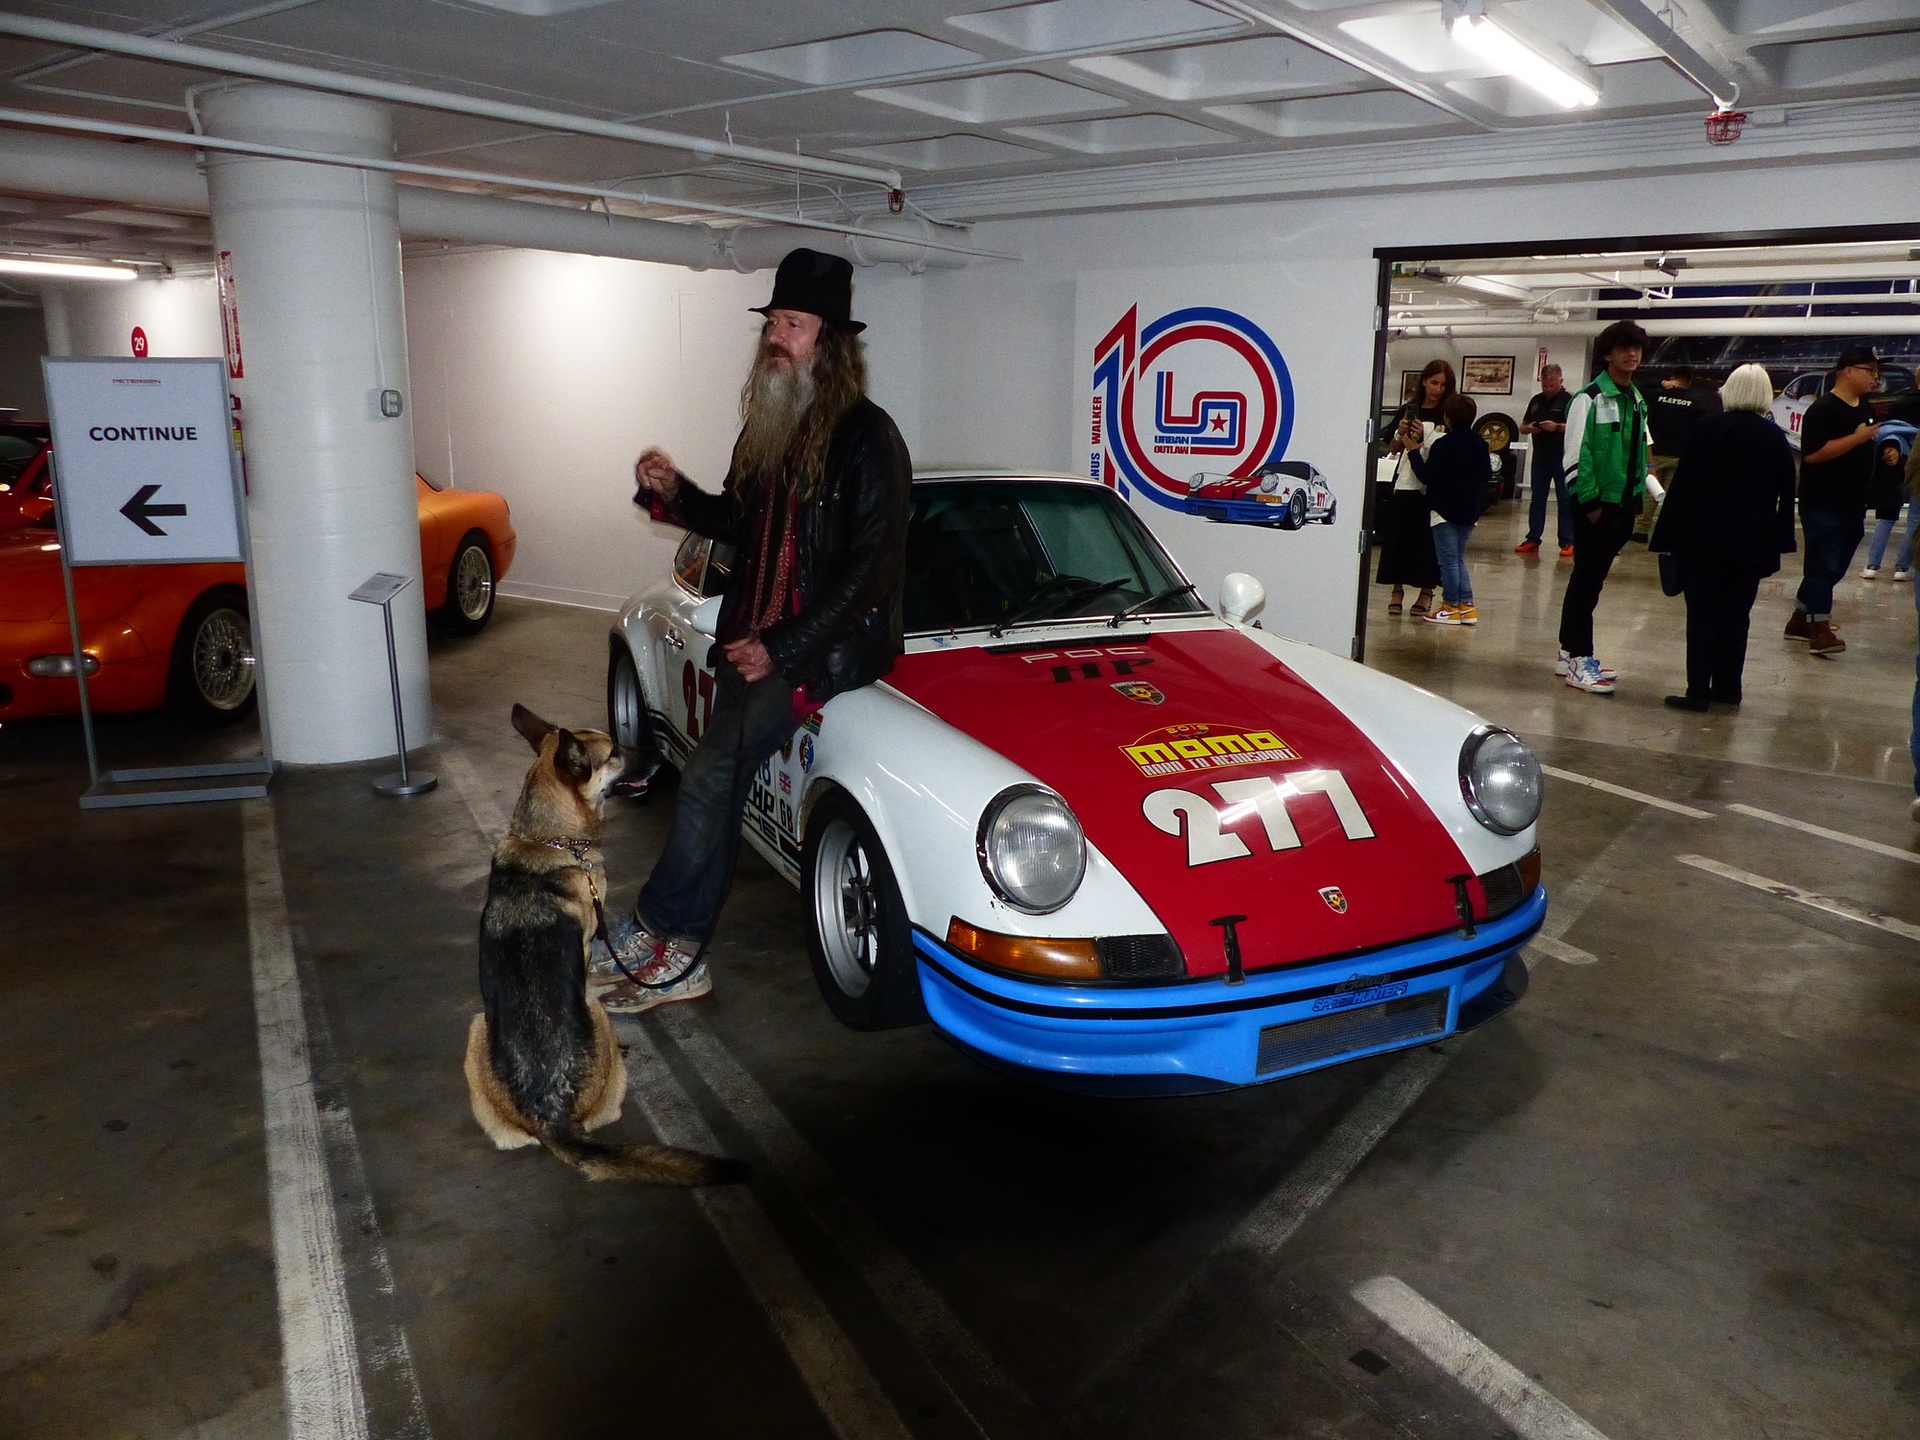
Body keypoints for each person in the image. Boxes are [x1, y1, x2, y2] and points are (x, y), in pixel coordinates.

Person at [597, 248, 912, 1013]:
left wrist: (786, 645)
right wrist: (674, 496)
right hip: (753, 643)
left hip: (815, 655)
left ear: (828, 342)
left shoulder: (869, 440)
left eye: (793, 324)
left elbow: (869, 574)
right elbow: (736, 522)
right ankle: (672, 940)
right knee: (715, 784)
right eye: (772, 321)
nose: (776, 337)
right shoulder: (769, 425)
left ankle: (666, 937)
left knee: (706, 781)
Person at [1648, 364, 1797, 711]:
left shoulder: (1707, 428)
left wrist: (1665, 535)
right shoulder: (1774, 437)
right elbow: (1786, 492)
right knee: (1737, 616)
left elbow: (1684, 485)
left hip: (1704, 540)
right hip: (1751, 544)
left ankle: (1697, 690)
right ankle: (1729, 688)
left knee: (1702, 615)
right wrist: (1781, 541)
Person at [1556, 319, 1653, 694]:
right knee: (1585, 582)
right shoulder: (1589, 398)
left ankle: (1569, 650)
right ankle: (1580, 658)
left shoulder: (1636, 399)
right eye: (1624, 347)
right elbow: (1575, 456)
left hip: (1623, 507)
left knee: (1590, 582)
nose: (1632, 354)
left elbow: (1639, 453)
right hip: (1597, 507)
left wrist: (1644, 494)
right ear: (1608, 354)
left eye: (1637, 348)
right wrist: (1591, 504)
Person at [1787, 345, 1882, 656]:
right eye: (1869, 370)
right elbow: (1813, 455)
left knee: (1835, 565)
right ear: (1847, 371)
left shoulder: (1865, 406)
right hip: (1823, 501)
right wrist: (1857, 438)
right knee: (1824, 563)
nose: (1875, 376)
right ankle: (1819, 627)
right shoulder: (1824, 409)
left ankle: (1800, 617)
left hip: (1854, 501)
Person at [1409, 393, 1491, 625]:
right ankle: (1467, 606)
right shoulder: (1480, 444)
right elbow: (1486, 474)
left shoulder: (1442, 445)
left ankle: (1450, 607)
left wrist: (1414, 451)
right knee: (1458, 558)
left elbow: (1426, 476)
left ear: (1447, 418)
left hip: (1444, 510)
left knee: (1448, 561)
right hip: (1469, 511)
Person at [1375, 360, 1449, 616]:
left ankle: (1426, 591)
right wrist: (1401, 432)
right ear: (1424, 382)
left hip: (1432, 484)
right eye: (1433, 383)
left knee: (1427, 540)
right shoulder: (1408, 410)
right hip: (1405, 481)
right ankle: (1397, 589)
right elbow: (1393, 449)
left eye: (1442, 384)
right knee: (1398, 536)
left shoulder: (1448, 413)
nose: (1437, 389)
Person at [1641, 364, 1722, 542]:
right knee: (1673, 497)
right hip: (1680, 455)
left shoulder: (1657, 396)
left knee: (1650, 494)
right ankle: (1667, 532)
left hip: (1655, 453)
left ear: (1672, 377)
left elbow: (1638, 389)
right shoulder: (1696, 402)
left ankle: (1641, 530)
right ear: (1689, 381)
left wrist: (1660, 384)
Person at [1515, 363, 1574, 557]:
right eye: (1545, 385)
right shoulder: (1536, 401)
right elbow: (1522, 427)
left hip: (1562, 459)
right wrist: (1531, 427)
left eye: (1552, 385)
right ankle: (1533, 538)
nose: (1547, 389)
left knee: (1565, 500)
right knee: (1537, 499)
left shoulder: (1570, 400)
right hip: (1540, 458)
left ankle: (1567, 541)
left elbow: (1578, 427)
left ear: (1561, 381)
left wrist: (1556, 427)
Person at [1860, 419, 1915, 581]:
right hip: (1912, 479)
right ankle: (1902, 568)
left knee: (1885, 521)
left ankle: (1872, 565)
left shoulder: (1887, 438)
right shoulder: (1909, 438)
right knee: (1914, 521)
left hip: (1889, 487)